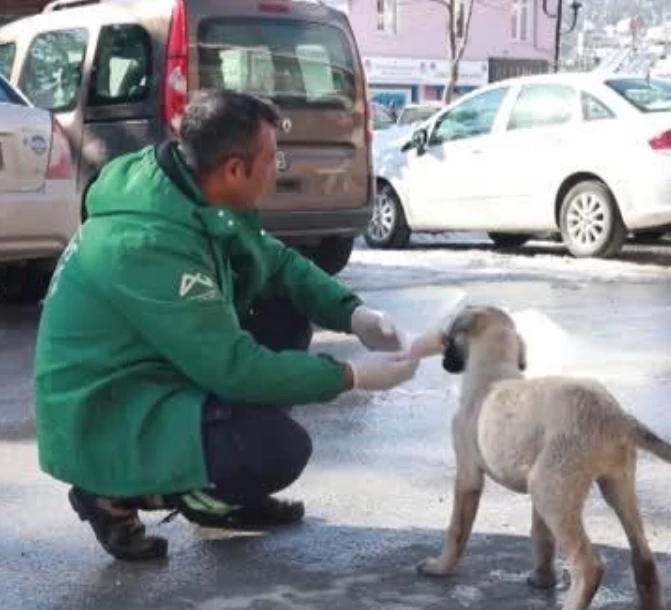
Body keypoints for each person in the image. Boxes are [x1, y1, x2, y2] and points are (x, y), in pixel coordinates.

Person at [32, 89, 420, 562]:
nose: (276, 172)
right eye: (271, 159)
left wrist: (352, 313)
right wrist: (349, 377)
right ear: (234, 169)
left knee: (282, 310)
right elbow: (233, 369)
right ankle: (114, 492)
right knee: (275, 449)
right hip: (104, 413)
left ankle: (216, 485)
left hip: (148, 377)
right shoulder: (146, 242)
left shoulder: (187, 189)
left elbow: (274, 262)